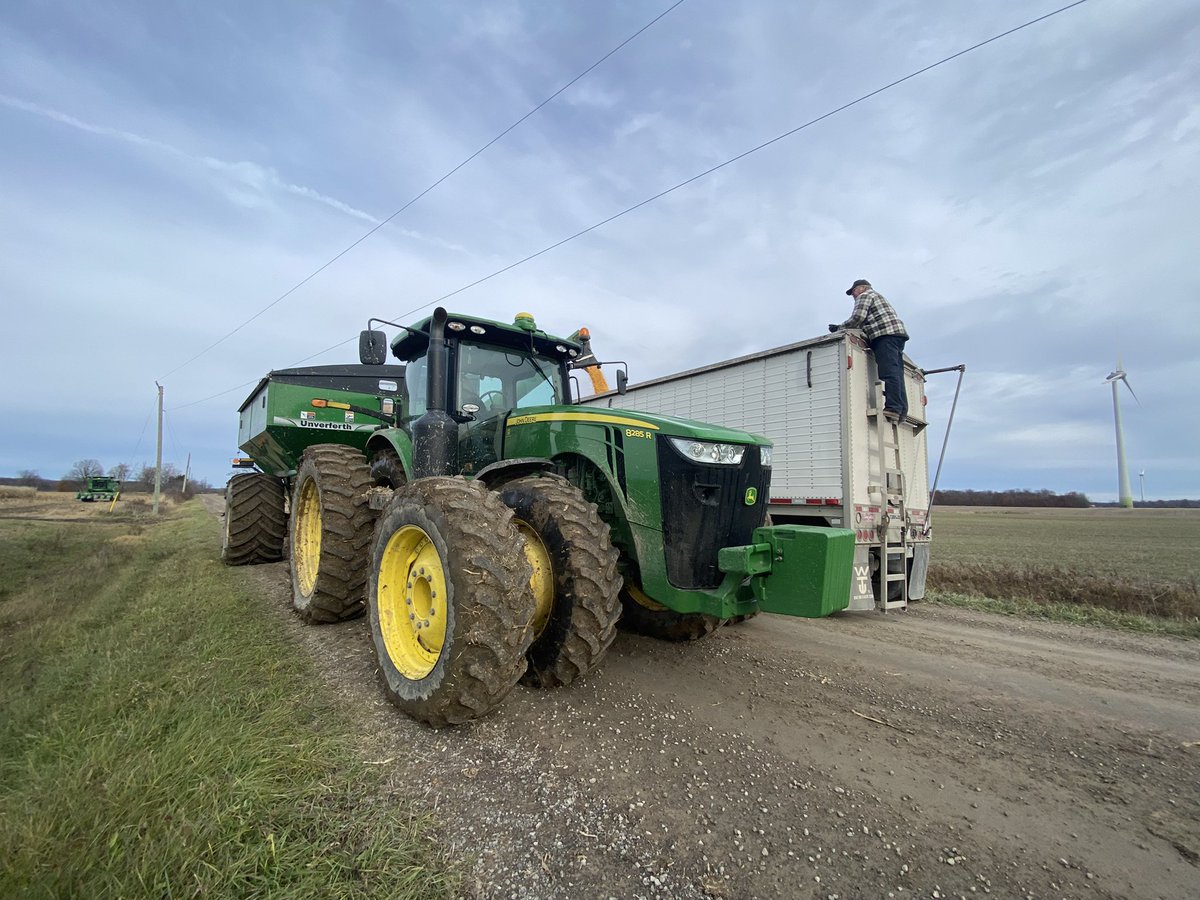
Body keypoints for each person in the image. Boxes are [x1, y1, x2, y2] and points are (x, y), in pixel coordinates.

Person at [829, 279, 909, 420]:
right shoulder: (878, 297)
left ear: (861, 288)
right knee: (897, 373)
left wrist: (839, 328)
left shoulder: (865, 296)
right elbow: (863, 323)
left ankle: (894, 408)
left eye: (853, 292)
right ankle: (901, 411)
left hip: (884, 335)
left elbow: (858, 317)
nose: (853, 296)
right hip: (896, 335)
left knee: (889, 372)